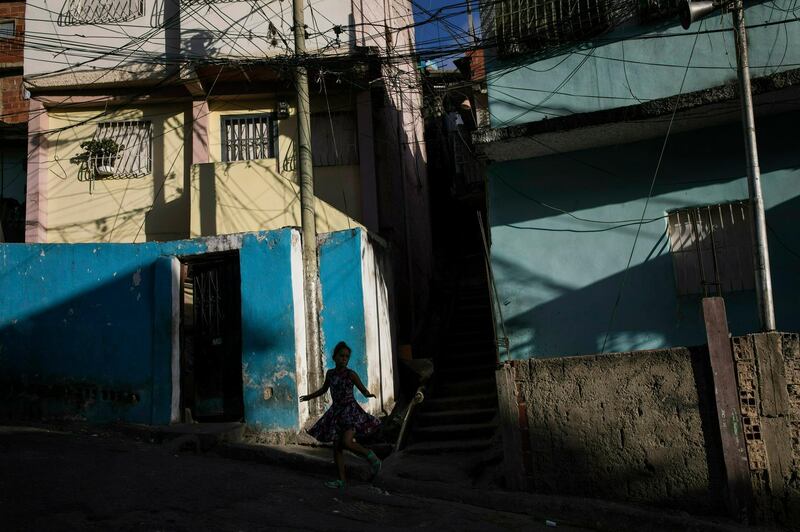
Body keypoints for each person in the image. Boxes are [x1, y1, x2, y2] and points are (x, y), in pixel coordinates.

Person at [300, 341, 382, 488]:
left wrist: (368, 394)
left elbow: (362, 389)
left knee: (347, 442)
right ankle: (341, 481)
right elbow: (323, 390)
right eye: (341, 356)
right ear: (334, 357)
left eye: (347, 356)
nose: (344, 359)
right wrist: (309, 396)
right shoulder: (330, 374)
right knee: (337, 447)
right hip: (336, 413)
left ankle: (372, 456)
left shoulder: (351, 374)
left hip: (350, 412)